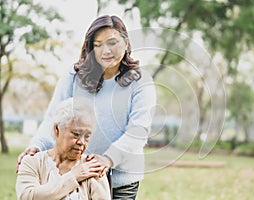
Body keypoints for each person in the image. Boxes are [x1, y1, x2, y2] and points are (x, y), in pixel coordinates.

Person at [17, 15, 156, 199]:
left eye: (112, 42)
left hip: (122, 178)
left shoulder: (140, 81)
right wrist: (36, 145)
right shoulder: (74, 76)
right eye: (98, 45)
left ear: (125, 42)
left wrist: (107, 159)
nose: (105, 51)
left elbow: (138, 131)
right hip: (79, 172)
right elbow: (53, 118)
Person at [16, 98, 111, 200]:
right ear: (57, 129)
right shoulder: (32, 162)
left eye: (87, 136)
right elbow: (27, 196)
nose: (82, 142)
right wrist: (73, 176)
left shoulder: (93, 168)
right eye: (76, 134)